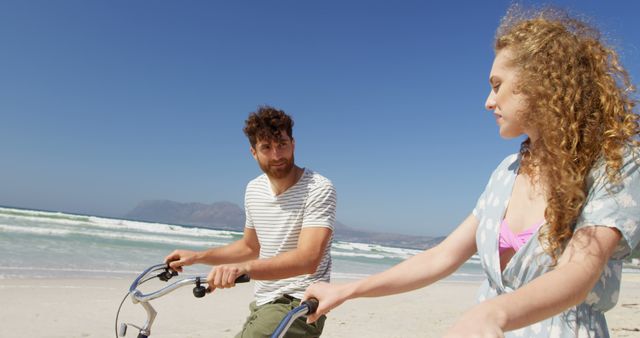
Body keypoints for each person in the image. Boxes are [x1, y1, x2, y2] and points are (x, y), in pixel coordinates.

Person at [304, 6, 639, 337]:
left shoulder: (614, 164)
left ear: (542, 83)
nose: (488, 102)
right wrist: (349, 290)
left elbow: (579, 273)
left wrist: (493, 314)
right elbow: (442, 257)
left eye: (497, 85)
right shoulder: (505, 172)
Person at [165, 106, 336, 338]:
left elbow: (308, 259)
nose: (276, 155)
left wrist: (244, 269)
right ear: (253, 152)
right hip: (264, 302)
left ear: (293, 144)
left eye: (282, 145)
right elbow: (250, 247)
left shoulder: (318, 187)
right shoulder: (253, 189)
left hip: (300, 304)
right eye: (266, 147)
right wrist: (198, 257)